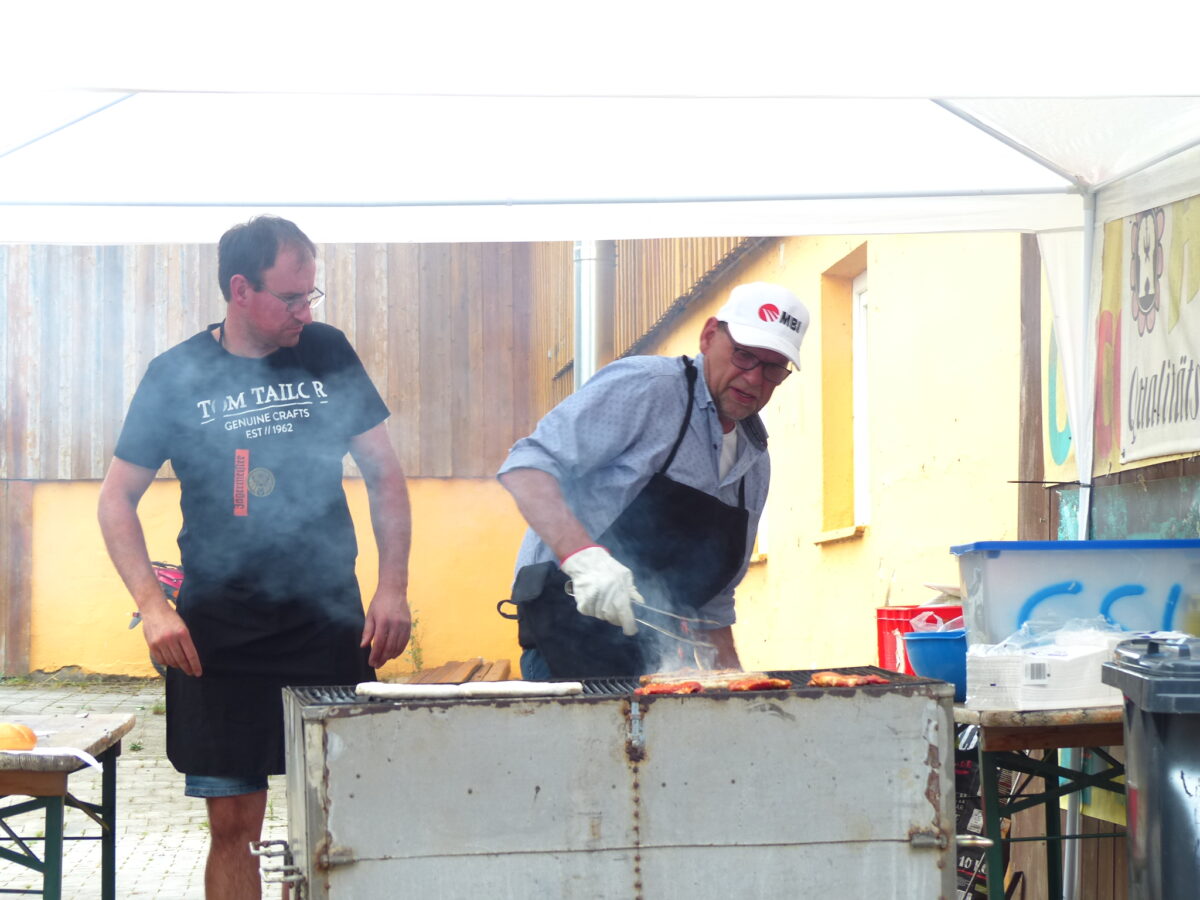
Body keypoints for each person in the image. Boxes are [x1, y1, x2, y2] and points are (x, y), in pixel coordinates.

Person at [97, 216, 412, 899]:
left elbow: (383, 473)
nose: (307, 311)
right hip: (220, 631)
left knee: (339, 817)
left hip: (328, 620)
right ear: (241, 290)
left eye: (311, 296)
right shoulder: (176, 374)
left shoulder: (326, 352)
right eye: (292, 298)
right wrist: (153, 607)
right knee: (234, 826)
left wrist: (391, 589)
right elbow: (116, 500)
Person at [498, 281, 808, 680]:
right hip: (567, 644)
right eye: (744, 356)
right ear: (710, 335)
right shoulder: (648, 388)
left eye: (772, 369)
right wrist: (583, 558)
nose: (753, 379)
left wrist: (735, 685)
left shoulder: (754, 459)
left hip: (665, 669)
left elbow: (713, 607)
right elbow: (527, 465)